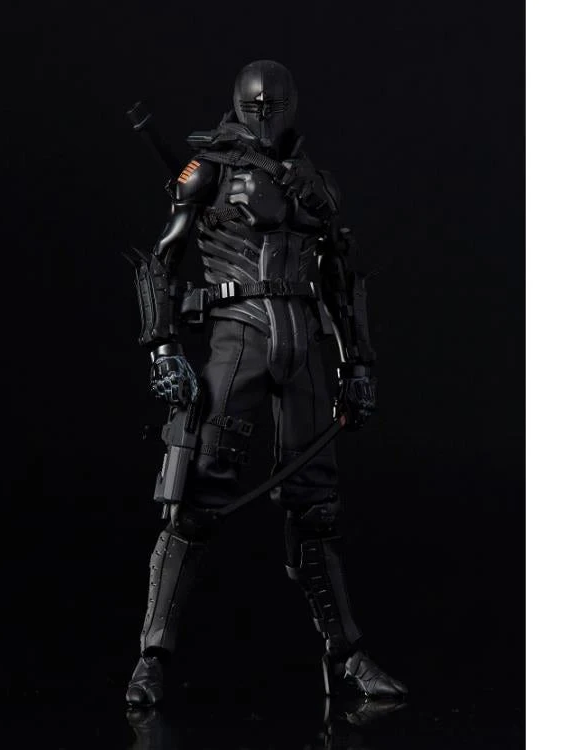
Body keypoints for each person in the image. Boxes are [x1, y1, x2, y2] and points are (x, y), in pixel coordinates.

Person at [126, 59, 407, 706]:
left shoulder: (313, 183)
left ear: (292, 106)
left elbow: (340, 278)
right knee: (194, 498)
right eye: (252, 104)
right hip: (238, 342)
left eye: (273, 104)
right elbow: (161, 260)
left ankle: (347, 656)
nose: (263, 114)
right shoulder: (210, 170)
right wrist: (163, 348)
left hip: (303, 346)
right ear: (235, 105)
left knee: (317, 507)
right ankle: (151, 658)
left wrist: (358, 365)